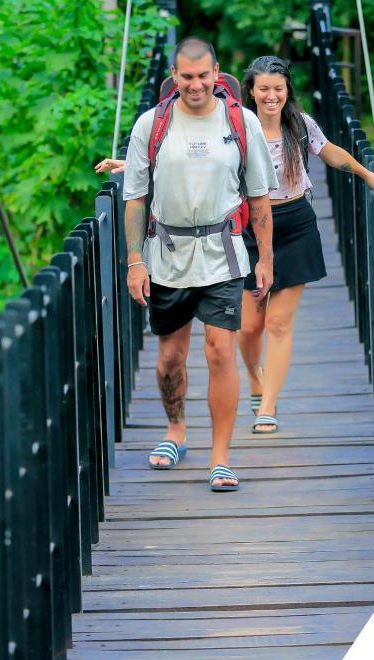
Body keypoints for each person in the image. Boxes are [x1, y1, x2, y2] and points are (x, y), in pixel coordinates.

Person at [121, 37, 278, 491]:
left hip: (223, 252)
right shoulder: (151, 125)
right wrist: (135, 261)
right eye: (186, 77)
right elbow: (134, 199)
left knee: (219, 351)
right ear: (174, 76)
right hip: (166, 254)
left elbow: (259, 196)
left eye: (203, 76)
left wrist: (265, 257)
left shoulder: (240, 122)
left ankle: (221, 457)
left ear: (216, 73)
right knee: (171, 355)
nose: (195, 84)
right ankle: (176, 431)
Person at [238, 55, 374, 434]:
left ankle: (267, 405)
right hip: (250, 229)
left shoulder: (299, 124)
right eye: (263, 88)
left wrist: (368, 175)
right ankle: (255, 380)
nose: (271, 96)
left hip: (295, 224)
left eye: (278, 89)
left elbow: (329, 151)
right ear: (251, 90)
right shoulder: (236, 128)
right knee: (249, 327)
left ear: (287, 91)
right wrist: (137, 165)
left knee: (278, 323)